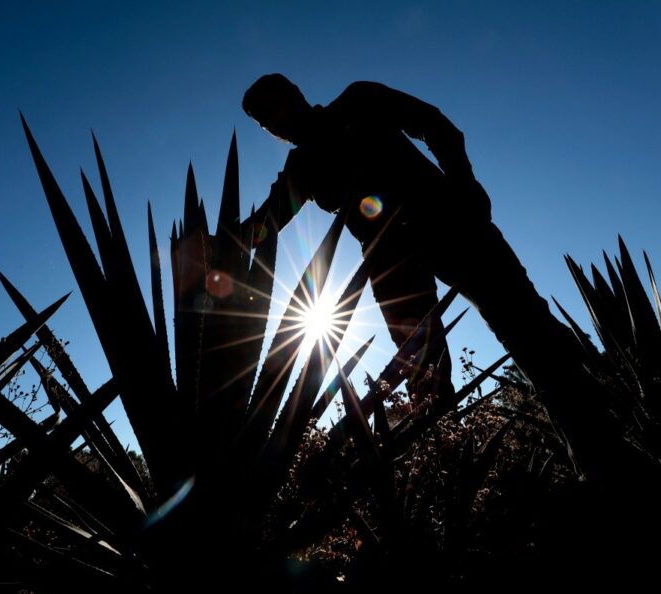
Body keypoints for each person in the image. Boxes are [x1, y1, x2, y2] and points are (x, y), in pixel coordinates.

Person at [242, 74, 578, 409]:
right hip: (391, 266)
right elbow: (262, 227)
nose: (274, 122)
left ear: (295, 94)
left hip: (452, 223)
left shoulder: (358, 100)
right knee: (426, 380)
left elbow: (434, 124)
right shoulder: (301, 169)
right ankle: (442, 451)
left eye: (273, 108)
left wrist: (463, 183)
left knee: (531, 332)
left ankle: (597, 422)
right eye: (263, 120)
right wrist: (213, 245)